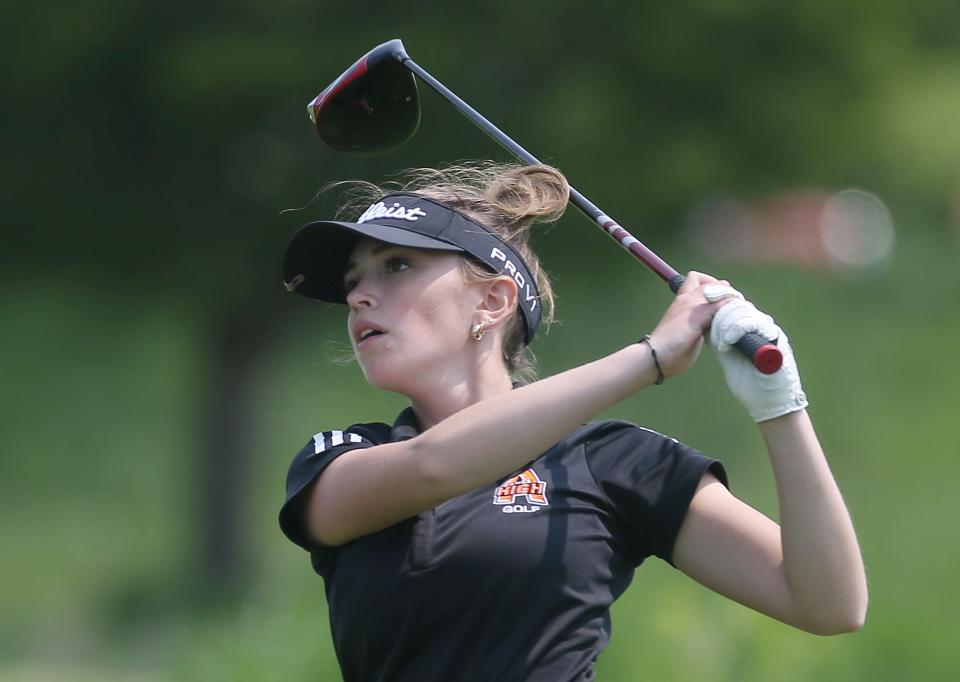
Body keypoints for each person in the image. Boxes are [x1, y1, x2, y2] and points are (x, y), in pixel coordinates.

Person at [278, 162, 868, 682]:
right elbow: (432, 466)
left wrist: (780, 403)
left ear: (492, 302)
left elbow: (830, 604)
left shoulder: (612, 462)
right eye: (354, 281)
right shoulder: (339, 457)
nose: (359, 296)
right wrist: (649, 359)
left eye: (396, 265)